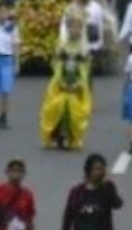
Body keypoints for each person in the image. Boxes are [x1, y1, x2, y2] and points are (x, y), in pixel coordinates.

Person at [41, 18, 94, 151]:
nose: (73, 30)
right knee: (58, 105)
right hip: (62, 80)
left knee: (73, 107)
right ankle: (57, 133)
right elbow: (56, 63)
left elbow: (86, 68)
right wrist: (61, 81)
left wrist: (79, 83)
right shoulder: (62, 45)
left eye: (77, 28)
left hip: (76, 82)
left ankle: (71, 135)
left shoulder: (84, 48)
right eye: (71, 27)